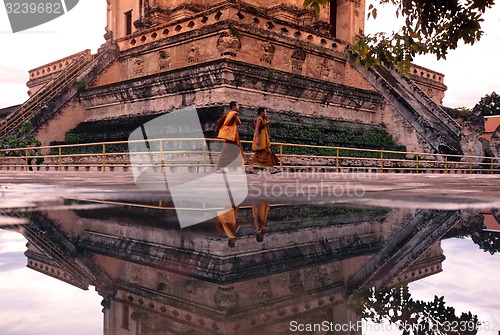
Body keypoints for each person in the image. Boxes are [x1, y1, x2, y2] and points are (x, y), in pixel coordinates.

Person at [215, 101, 253, 173]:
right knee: (227, 152)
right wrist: (236, 117)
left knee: (237, 151)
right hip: (232, 137)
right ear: (233, 107)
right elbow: (239, 123)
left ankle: (242, 168)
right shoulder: (234, 114)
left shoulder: (228, 114)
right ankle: (219, 168)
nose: (238, 107)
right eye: (237, 106)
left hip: (232, 136)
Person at [248, 107, 280, 174]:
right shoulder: (259, 119)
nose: (266, 113)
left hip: (263, 139)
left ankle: (249, 168)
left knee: (257, 155)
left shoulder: (263, 119)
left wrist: (266, 119)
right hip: (261, 140)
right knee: (267, 153)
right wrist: (257, 139)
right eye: (265, 112)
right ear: (261, 112)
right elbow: (256, 128)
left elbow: (265, 128)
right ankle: (272, 169)